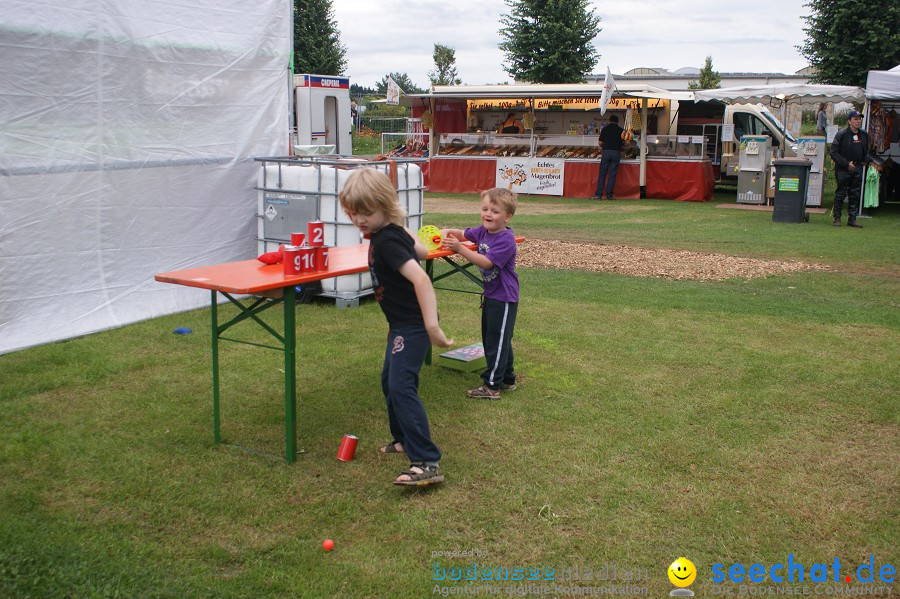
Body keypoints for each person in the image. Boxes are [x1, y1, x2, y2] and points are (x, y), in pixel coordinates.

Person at [338, 168, 453, 486]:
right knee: (390, 381)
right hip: (401, 325)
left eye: (366, 213)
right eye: (353, 213)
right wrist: (401, 225)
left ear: (385, 207)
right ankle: (402, 439)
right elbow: (423, 251)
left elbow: (421, 277)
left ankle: (427, 461)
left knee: (402, 387)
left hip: (413, 326)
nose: (359, 220)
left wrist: (432, 328)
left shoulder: (387, 240)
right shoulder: (391, 231)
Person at [441, 188, 519, 400]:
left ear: (507, 217)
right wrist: (446, 232)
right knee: (495, 338)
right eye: (485, 209)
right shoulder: (483, 231)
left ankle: (492, 386)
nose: (487, 214)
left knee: (497, 341)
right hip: (492, 295)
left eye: (494, 211)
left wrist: (460, 249)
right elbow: (463, 233)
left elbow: (486, 261)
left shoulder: (505, 239)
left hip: (504, 297)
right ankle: (507, 378)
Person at [829, 110, 871, 228]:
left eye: (859, 119)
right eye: (855, 119)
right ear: (849, 121)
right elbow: (833, 152)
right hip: (843, 168)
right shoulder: (841, 134)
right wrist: (846, 163)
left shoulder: (864, 134)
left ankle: (852, 219)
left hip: (857, 167)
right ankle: (837, 218)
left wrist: (865, 160)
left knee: (855, 194)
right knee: (841, 193)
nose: (858, 121)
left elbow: (866, 149)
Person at [592, 115, 624, 200]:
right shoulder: (621, 130)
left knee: (602, 174)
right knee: (612, 175)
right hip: (616, 153)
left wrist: (604, 145)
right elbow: (627, 143)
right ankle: (609, 195)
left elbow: (600, 142)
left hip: (606, 152)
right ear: (617, 121)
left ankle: (599, 195)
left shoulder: (605, 129)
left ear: (609, 121)